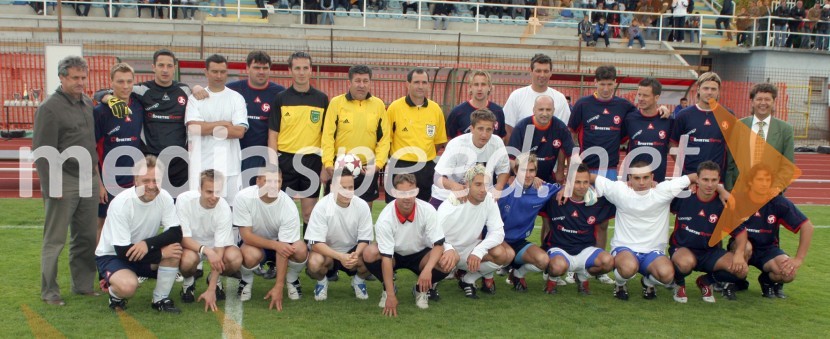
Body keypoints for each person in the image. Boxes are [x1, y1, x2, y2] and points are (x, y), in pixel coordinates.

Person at [583, 160, 729, 300]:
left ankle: (648, 283)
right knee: (628, 268)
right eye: (637, 178)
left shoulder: (664, 190)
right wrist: (567, 188)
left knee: (667, 276)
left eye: (646, 177)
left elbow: (696, 176)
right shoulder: (619, 190)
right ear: (629, 179)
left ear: (652, 177)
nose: (641, 182)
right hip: (625, 248)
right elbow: (588, 176)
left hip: (653, 251)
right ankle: (620, 284)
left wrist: (721, 190)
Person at [34, 56, 101, 306]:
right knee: (55, 240)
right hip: (63, 179)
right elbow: (42, 151)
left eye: (83, 77)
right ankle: (49, 292)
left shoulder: (86, 102)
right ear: (62, 77)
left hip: (88, 178)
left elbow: (90, 144)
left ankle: (83, 285)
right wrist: (53, 185)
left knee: (85, 237)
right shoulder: (49, 108)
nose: (80, 82)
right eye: (75, 77)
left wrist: (98, 180)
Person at [95, 49, 192, 194]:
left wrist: (197, 88)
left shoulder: (185, 90)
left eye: (169, 66)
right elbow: (103, 92)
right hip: (151, 161)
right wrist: (108, 98)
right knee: (150, 204)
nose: (165, 70)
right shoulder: (142, 90)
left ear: (174, 68)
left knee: (177, 207)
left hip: (178, 162)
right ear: (153, 67)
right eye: (161, 65)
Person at [95, 155, 183, 312]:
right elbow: (122, 251)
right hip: (113, 256)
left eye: (155, 180)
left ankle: (160, 299)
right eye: (145, 181)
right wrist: (160, 254)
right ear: (135, 181)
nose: (151, 185)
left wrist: (147, 244)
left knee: (174, 250)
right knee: (128, 286)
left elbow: (176, 232)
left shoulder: (164, 197)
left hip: (143, 251)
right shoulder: (121, 204)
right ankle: (114, 294)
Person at [363, 174, 452, 316]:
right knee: (369, 253)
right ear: (394, 193)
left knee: (448, 261)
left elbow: (439, 244)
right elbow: (386, 258)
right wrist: (391, 295)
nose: (407, 197)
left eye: (411, 192)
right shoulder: (385, 218)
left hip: (421, 254)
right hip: (394, 255)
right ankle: (388, 288)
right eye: (402, 193)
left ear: (417, 191)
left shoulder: (427, 210)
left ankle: (420, 289)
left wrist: (428, 270)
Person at [729, 164, 814, 299]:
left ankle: (767, 280)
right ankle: (737, 281)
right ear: (750, 182)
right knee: (746, 247)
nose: (764, 184)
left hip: (768, 249)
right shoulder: (738, 200)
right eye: (760, 179)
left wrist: (798, 259)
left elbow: (807, 226)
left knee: (789, 274)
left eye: (768, 180)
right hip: (742, 247)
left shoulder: (778, 202)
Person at [669, 161, 748, 303]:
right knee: (685, 263)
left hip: (710, 253)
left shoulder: (723, 203)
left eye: (714, 180)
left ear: (719, 181)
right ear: (697, 179)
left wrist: (739, 254)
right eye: (705, 179)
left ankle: (706, 281)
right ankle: (679, 283)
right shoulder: (683, 198)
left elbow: (741, 233)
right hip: (683, 249)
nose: (710, 184)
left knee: (741, 270)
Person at [268, 51, 329, 231]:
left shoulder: (322, 99)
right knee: (282, 212)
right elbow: (273, 134)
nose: (301, 72)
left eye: (305, 68)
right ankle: (280, 254)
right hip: (285, 160)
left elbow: (327, 135)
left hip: (311, 160)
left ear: (311, 70)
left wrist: (325, 165)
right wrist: (273, 166)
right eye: (297, 68)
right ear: (290, 71)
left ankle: (310, 252)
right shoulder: (281, 98)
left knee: (310, 213)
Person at [234, 167, 308, 309]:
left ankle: (291, 280)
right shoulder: (243, 197)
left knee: (299, 249)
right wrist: (275, 245)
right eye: (268, 181)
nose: (273, 185)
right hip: (254, 244)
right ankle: (246, 280)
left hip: (280, 245)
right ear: (258, 181)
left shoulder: (288, 205)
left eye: (277, 181)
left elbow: (284, 247)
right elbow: (246, 236)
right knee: (249, 254)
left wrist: (278, 286)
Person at [436, 164, 513, 298]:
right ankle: (432, 283)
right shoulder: (453, 202)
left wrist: (479, 251)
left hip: (469, 249)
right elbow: (434, 233)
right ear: (468, 184)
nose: (483, 189)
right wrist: (448, 248)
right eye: (478, 184)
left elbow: (498, 232)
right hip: (446, 250)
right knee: (444, 256)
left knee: (503, 254)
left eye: (486, 184)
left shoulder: (489, 199)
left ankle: (468, 279)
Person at [321, 64, 390, 210]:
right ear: (349, 82)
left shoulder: (378, 105)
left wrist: (377, 165)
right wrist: (328, 164)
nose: (361, 85)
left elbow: (384, 139)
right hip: (340, 169)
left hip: (367, 169)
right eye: (358, 81)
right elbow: (327, 136)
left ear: (370, 82)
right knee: (335, 214)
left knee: (364, 213)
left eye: (365, 81)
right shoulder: (336, 103)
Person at [185, 54, 248, 206]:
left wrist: (206, 126)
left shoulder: (236, 98)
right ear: (206, 72)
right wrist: (223, 124)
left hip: (230, 168)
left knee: (230, 214)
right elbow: (194, 128)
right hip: (201, 167)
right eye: (214, 71)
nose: (219, 75)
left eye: (222, 71)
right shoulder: (196, 98)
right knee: (201, 213)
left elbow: (238, 132)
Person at [542, 164, 615, 295]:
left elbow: (623, 195)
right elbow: (532, 189)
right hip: (560, 249)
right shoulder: (554, 199)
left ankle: (582, 276)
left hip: (586, 250)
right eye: (577, 182)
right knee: (558, 267)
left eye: (585, 182)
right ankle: (552, 279)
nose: (582, 186)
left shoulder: (598, 202)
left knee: (608, 262)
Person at [176, 170, 242, 311]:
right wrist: (206, 250)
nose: (214, 197)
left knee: (235, 258)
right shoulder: (184, 200)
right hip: (192, 247)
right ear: (199, 189)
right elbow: (183, 238)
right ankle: (188, 281)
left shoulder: (224, 208)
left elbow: (219, 250)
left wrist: (211, 290)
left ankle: (214, 279)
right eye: (209, 192)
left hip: (216, 248)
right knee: (187, 260)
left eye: (217, 192)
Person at [304, 168, 374, 301]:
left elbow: (365, 239)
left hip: (353, 252)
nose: (347, 192)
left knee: (374, 256)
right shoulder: (322, 206)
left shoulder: (362, 205)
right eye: (343, 188)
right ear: (332, 188)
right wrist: (340, 256)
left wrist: (356, 254)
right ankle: (322, 282)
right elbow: (315, 244)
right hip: (329, 253)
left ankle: (358, 282)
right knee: (314, 263)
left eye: (350, 187)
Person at [498, 153, 563, 291]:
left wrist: (564, 190)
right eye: (523, 170)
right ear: (515, 171)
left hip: (519, 242)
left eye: (531, 170)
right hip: (496, 240)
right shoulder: (502, 189)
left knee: (543, 260)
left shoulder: (541, 189)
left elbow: (565, 188)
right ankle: (476, 276)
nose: (527, 175)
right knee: (503, 255)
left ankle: (517, 273)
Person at [383, 68, 447, 203]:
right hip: (401, 166)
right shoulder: (394, 108)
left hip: (426, 168)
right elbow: (386, 140)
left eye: (424, 82)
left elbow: (438, 141)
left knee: (424, 208)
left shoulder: (436, 109)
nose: (420, 86)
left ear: (428, 85)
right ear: (408, 84)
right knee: (396, 207)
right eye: (416, 82)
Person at [568, 65, 637, 182]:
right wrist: (574, 158)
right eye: (602, 84)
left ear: (615, 83)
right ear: (595, 82)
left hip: (610, 168)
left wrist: (661, 109)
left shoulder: (624, 105)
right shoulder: (583, 104)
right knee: (587, 200)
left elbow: (643, 116)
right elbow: (571, 132)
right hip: (586, 168)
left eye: (609, 84)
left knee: (608, 200)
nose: (606, 89)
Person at [430, 109, 509, 208]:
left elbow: (503, 170)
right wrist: (454, 186)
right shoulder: (456, 144)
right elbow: (437, 178)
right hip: (446, 196)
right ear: (472, 129)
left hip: (479, 196)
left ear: (493, 130)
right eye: (480, 129)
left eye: (488, 129)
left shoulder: (497, 143)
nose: (484, 134)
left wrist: (499, 187)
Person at [725, 83, 795, 193]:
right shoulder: (738, 126)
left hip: (770, 193)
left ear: (773, 102)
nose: (763, 103)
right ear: (752, 102)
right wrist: (729, 188)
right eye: (759, 99)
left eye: (767, 99)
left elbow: (788, 165)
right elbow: (730, 162)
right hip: (741, 191)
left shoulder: (785, 129)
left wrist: (777, 188)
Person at [670, 72, 729, 176]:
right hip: (689, 178)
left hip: (717, 180)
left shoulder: (727, 116)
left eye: (713, 89)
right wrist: (682, 166)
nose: (709, 92)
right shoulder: (684, 115)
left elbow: (732, 148)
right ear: (698, 90)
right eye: (705, 88)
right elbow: (673, 143)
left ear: (719, 91)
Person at [503, 54, 571, 142]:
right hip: (522, 154)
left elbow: (564, 131)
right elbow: (508, 129)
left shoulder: (560, 99)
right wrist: (513, 154)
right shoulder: (516, 96)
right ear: (531, 72)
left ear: (551, 73)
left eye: (546, 71)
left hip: (551, 154)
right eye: (538, 71)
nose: (542, 75)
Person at [508, 95, 574, 185]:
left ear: (553, 111)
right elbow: (511, 160)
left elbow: (572, 156)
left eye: (548, 110)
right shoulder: (521, 127)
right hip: (524, 180)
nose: (544, 113)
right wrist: (529, 176)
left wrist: (570, 181)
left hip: (549, 180)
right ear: (534, 110)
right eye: (541, 109)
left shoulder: (560, 128)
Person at [624, 78, 674, 183]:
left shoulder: (668, 120)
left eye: (645, 95)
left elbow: (674, 147)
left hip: (658, 182)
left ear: (656, 98)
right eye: (639, 94)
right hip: (633, 182)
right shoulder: (629, 118)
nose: (641, 99)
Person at [446, 70, 507, 142]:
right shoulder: (457, 112)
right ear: (470, 87)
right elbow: (448, 138)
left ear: (489, 87)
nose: (479, 88)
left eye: (483, 84)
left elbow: (501, 138)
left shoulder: (498, 111)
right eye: (476, 84)